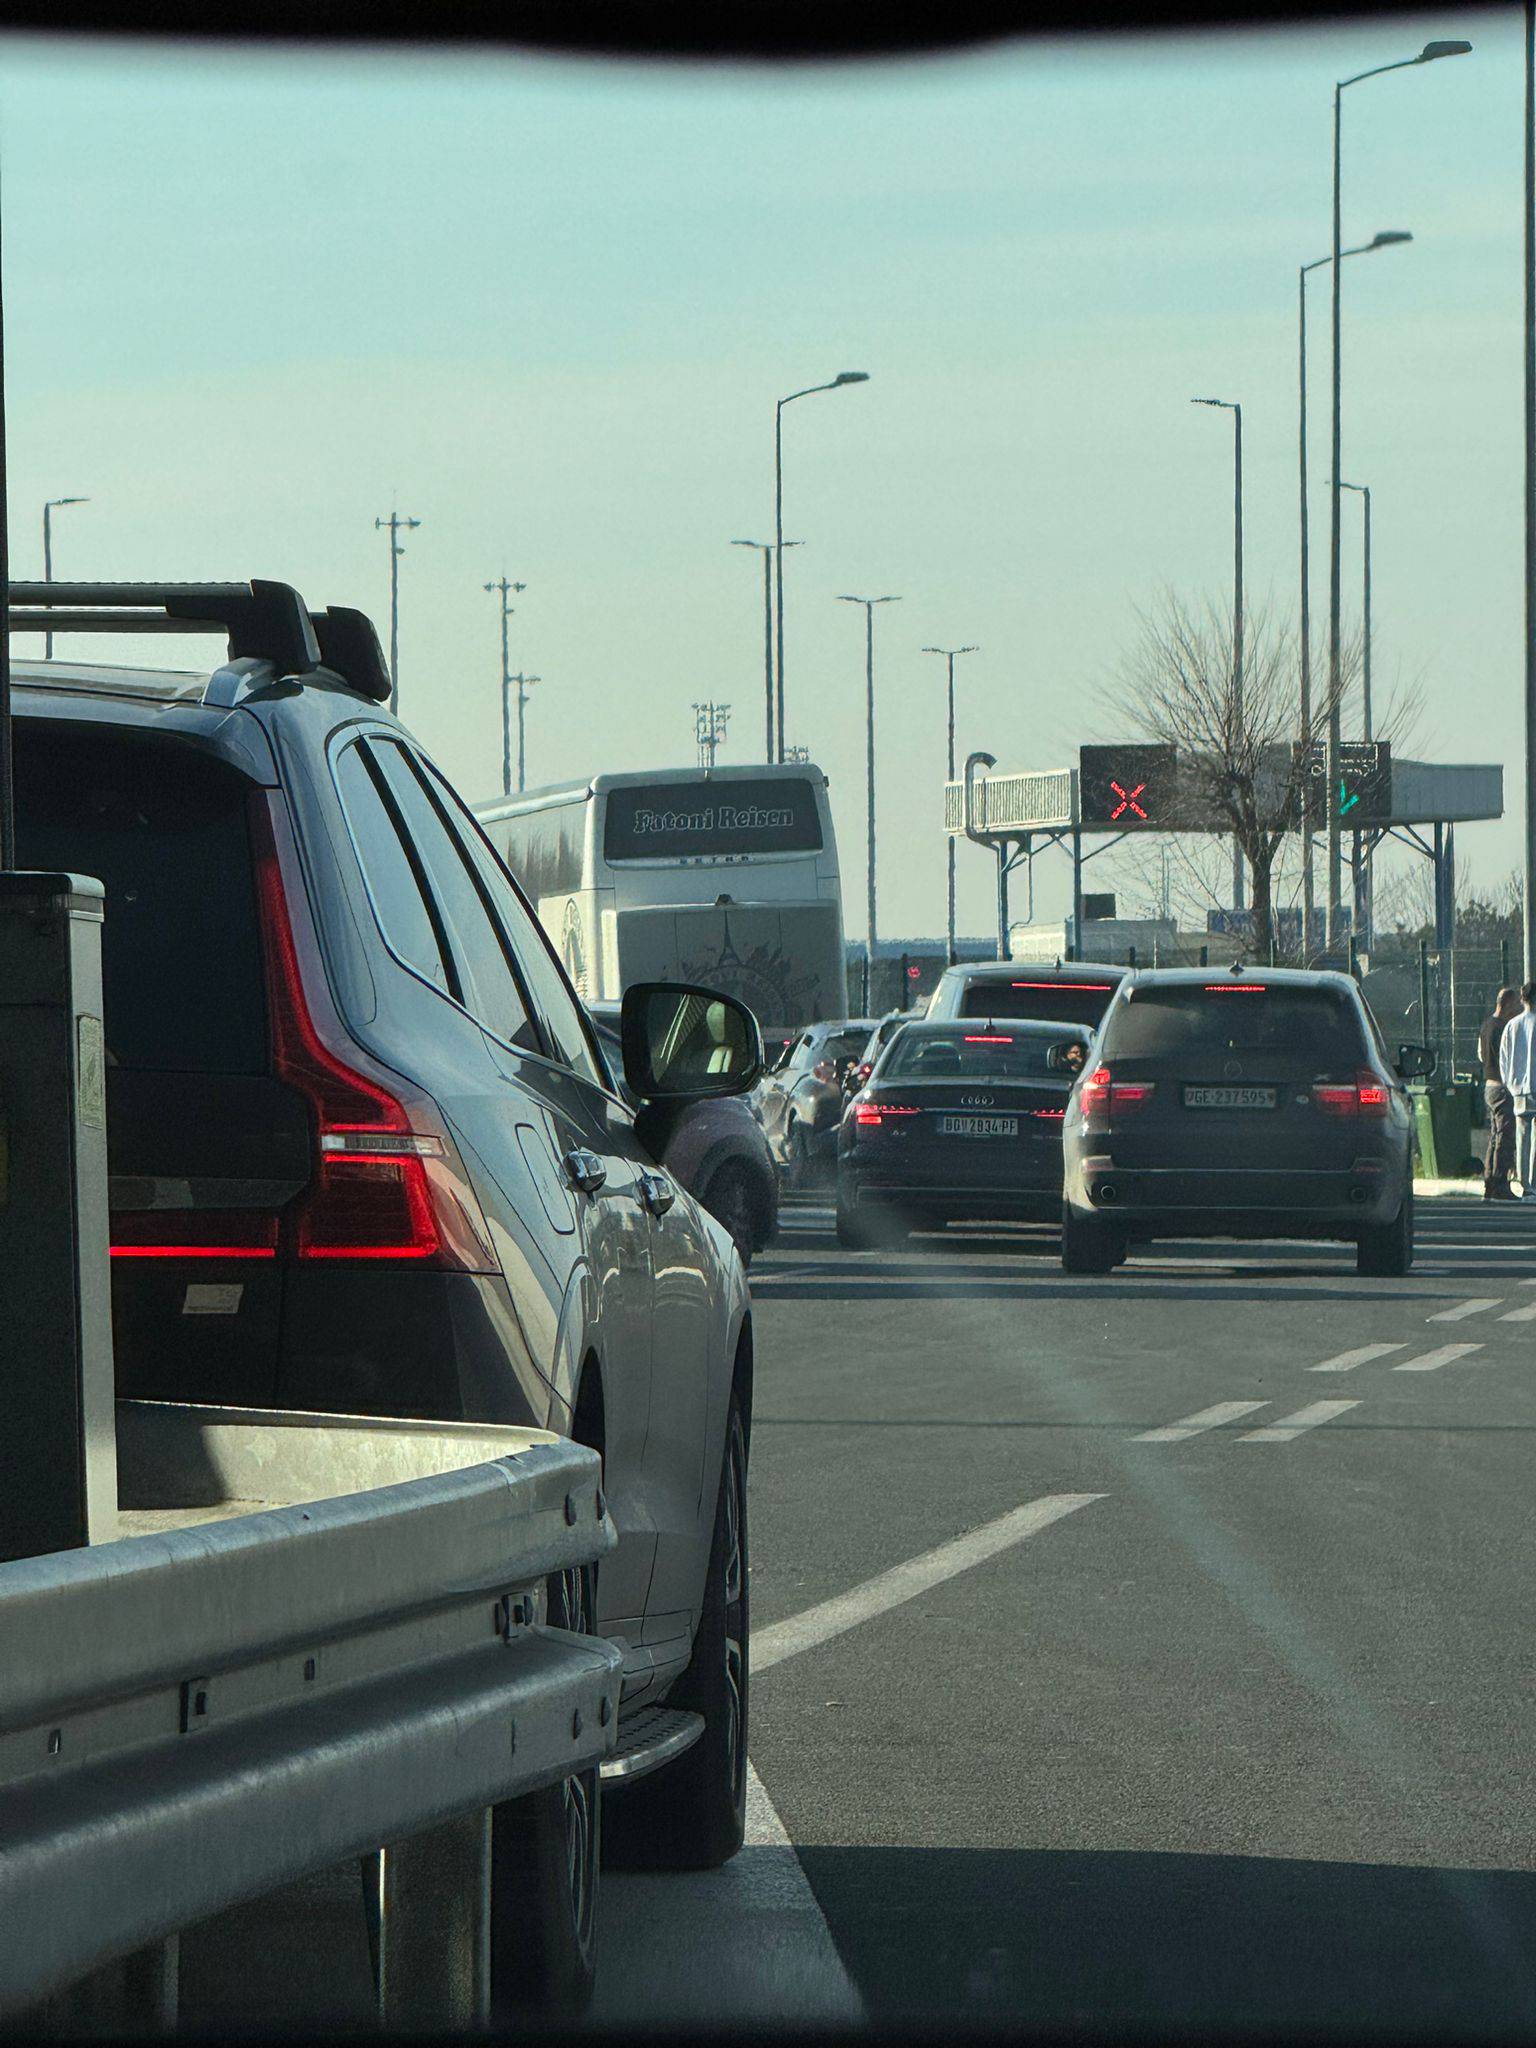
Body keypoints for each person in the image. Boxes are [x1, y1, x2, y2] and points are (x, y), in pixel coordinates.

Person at [1480, 985, 1522, 1201]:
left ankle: (1489, 1182)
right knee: (1505, 1138)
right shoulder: (1504, 1028)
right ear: (1507, 1004)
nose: (1518, 1008)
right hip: (1502, 1086)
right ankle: (1500, 1184)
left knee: (1494, 1136)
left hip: (1489, 1085)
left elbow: (1480, 1054)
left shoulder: (1487, 1025)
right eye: (1515, 1004)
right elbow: (1509, 1057)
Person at [1498, 981, 1536, 1200]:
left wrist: (1510, 1083)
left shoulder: (1512, 1025)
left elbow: (1504, 1058)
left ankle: (1524, 1183)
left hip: (1518, 1087)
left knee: (1522, 1136)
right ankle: (1533, 1182)